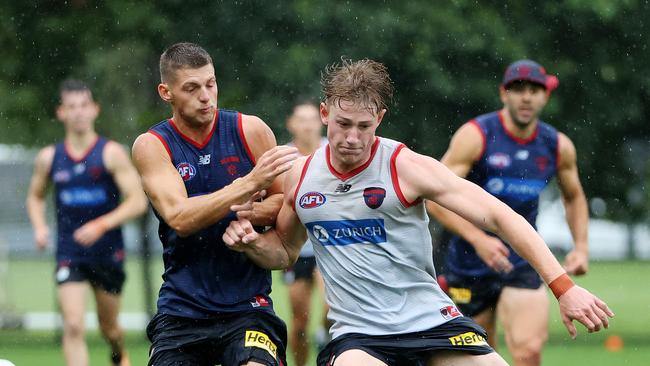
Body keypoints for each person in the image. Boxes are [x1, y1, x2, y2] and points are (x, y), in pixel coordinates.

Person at [222, 59, 613, 366]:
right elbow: (285, 252)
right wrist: (251, 244)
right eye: (343, 124)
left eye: (364, 126)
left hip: (431, 320)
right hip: (360, 335)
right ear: (325, 114)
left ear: (380, 118)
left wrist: (563, 287)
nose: (353, 138)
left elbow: (500, 216)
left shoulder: (405, 167)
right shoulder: (301, 175)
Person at [131, 42, 297, 366]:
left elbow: (286, 202)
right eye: (191, 88)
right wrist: (247, 186)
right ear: (166, 92)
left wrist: (257, 212)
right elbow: (180, 217)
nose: (206, 97)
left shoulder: (251, 130)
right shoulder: (152, 146)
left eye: (211, 84)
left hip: (249, 307)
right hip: (182, 310)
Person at [426, 59, 589, 366]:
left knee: (528, 352)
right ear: (504, 94)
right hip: (467, 261)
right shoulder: (476, 135)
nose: (526, 97)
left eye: (534, 90)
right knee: (478, 353)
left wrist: (581, 247)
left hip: (522, 259)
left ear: (545, 97)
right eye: (518, 89)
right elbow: (434, 197)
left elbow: (574, 197)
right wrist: (478, 239)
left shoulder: (557, 146)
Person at [26, 79, 148, 366]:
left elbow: (137, 201)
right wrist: (40, 227)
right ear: (61, 113)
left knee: (110, 328)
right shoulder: (49, 158)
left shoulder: (111, 154)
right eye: (72, 107)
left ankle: (119, 353)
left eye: (84, 105)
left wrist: (101, 225)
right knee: (73, 325)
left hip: (107, 252)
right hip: (70, 253)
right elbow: (35, 197)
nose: (78, 112)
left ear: (95, 109)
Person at [283, 100, 331, 365]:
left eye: (312, 119)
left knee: (332, 307)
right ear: (291, 124)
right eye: (301, 120)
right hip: (297, 249)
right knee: (299, 324)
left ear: (321, 121)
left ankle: (325, 334)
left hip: (329, 245)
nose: (308, 125)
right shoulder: (285, 157)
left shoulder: (333, 151)